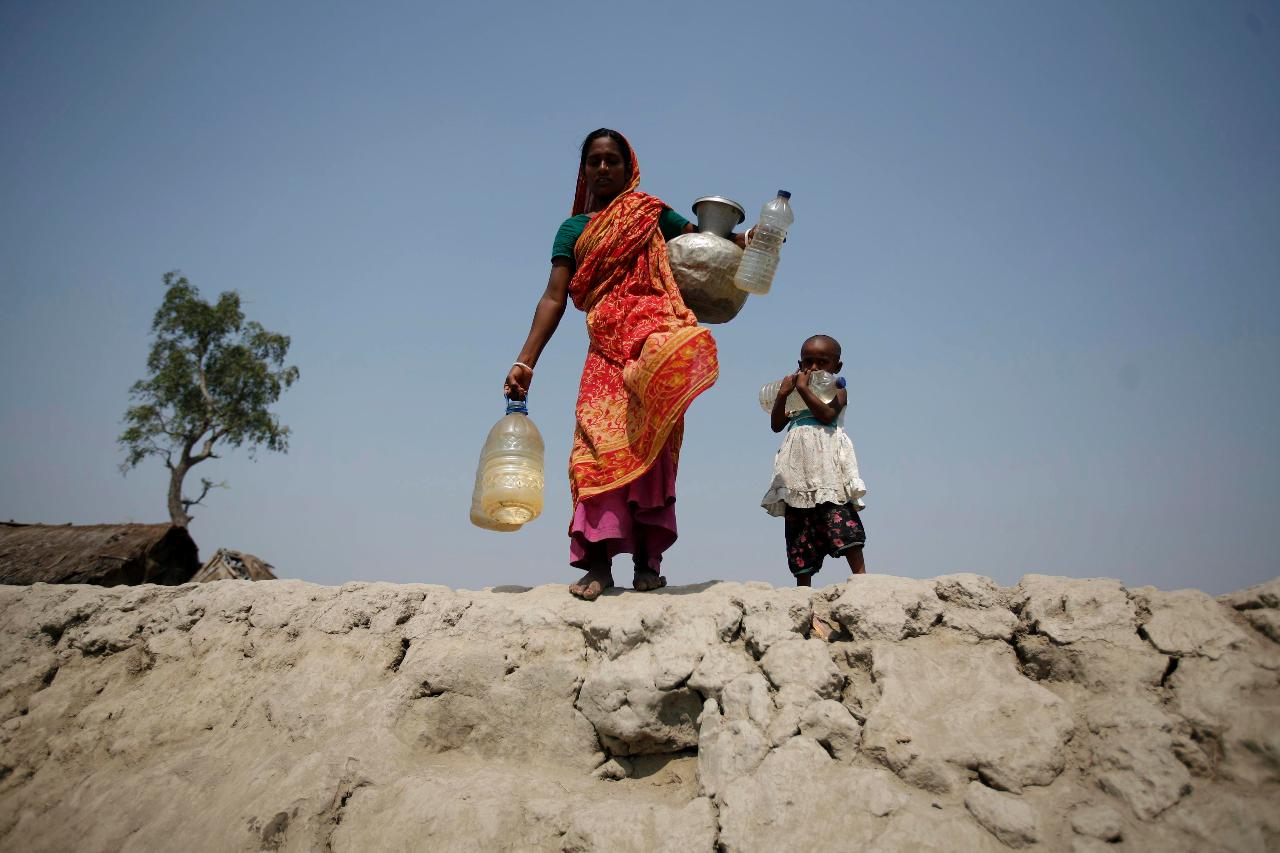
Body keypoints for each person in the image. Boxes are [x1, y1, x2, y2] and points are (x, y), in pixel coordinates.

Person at [504, 129, 745, 601]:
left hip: (655, 342)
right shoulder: (573, 230)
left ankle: (647, 565)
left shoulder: (651, 213)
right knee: (594, 449)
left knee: (651, 451)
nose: (602, 169)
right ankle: (597, 566)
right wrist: (525, 360)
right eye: (593, 161)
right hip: (606, 349)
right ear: (584, 170)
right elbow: (554, 297)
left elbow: (704, 243)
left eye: (611, 160)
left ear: (628, 165)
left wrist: (746, 239)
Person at [760, 334, 868, 586]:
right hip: (797, 469)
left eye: (823, 362)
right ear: (800, 364)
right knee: (799, 526)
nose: (814, 368)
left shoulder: (838, 390)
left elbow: (826, 415)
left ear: (836, 366)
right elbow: (777, 425)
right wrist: (783, 395)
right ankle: (803, 589)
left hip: (827, 466)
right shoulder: (797, 393)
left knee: (838, 514)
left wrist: (803, 389)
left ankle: (862, 580)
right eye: (808, 362)